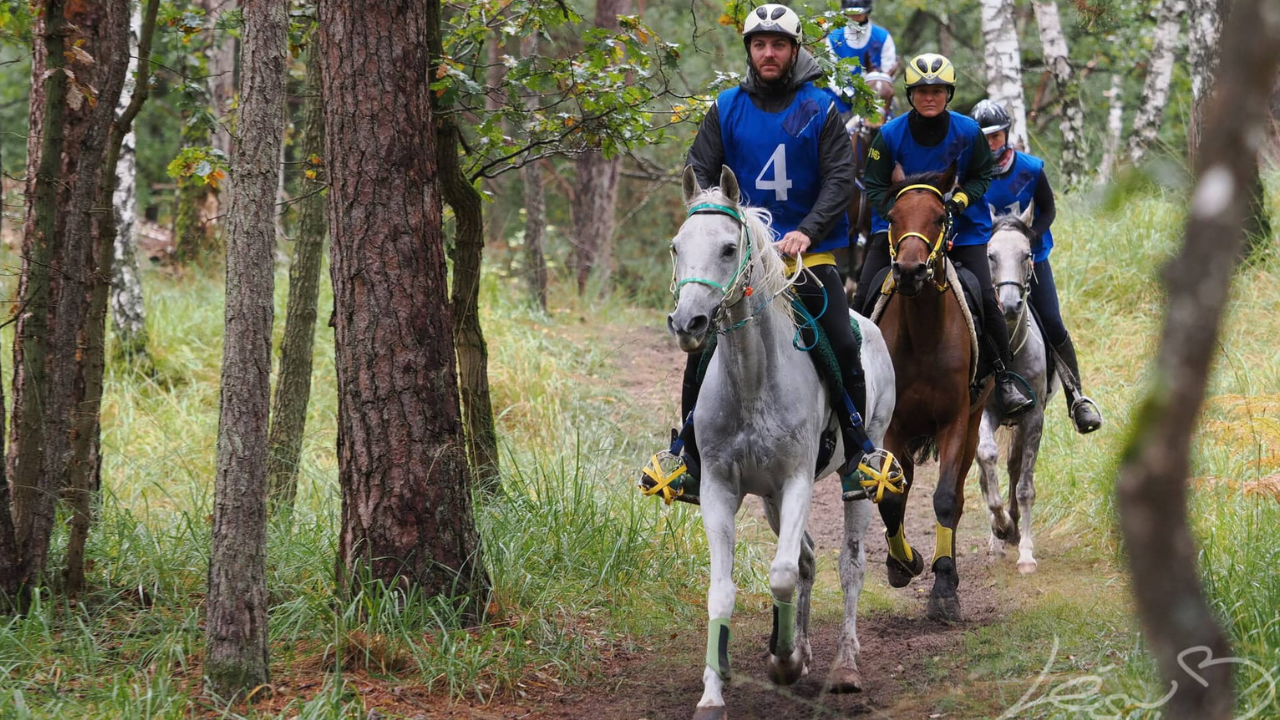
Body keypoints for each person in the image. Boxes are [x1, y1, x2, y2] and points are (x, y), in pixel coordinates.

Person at [662, 3, 872, 486]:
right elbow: (701, 176)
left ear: (795, 50)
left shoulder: (820, 107)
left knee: (841, 339)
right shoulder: (726, 107)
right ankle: (688, 459)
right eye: (760, 45)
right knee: (701, 346)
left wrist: (808, 230)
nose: (769, 53)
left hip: (806, 257)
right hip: (740, 264)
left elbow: (841, 178)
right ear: (749, 51)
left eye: (778, 44)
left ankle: (860, 453)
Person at [853, 53, 1035, 417]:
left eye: (937, 90)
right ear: (910, 95)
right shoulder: (889, 136)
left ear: (948, 94)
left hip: (963, 230)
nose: (929, 97)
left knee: (984, 297)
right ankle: (852, 380)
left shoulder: (968, 132)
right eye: (921, 91)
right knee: (864, 296)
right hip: (900, 233)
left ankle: (1005, 378)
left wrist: (960, 202)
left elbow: (982, 174)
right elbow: (872, 183)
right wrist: (896, 213)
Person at [970, 99, 1104, 433]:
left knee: (1053, 322)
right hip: (986, 261)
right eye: (985, 138)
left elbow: (1048, 209)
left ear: (1006, 134)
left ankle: (1077, 398)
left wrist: (1030, 237)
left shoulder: (1030, 168)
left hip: (1031, 259)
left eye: (996, 136)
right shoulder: (969, 175)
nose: (991, 144)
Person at [825, 0, 898, 118]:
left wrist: (870, 94)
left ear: (867, 11)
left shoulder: (882, 37)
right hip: (842, 101)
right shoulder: (833, 38)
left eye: (858, 13)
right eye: (851, 13)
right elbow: (830, 74)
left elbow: (888, 71)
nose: (854, 17)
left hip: (874, 99)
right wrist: (849, 94)